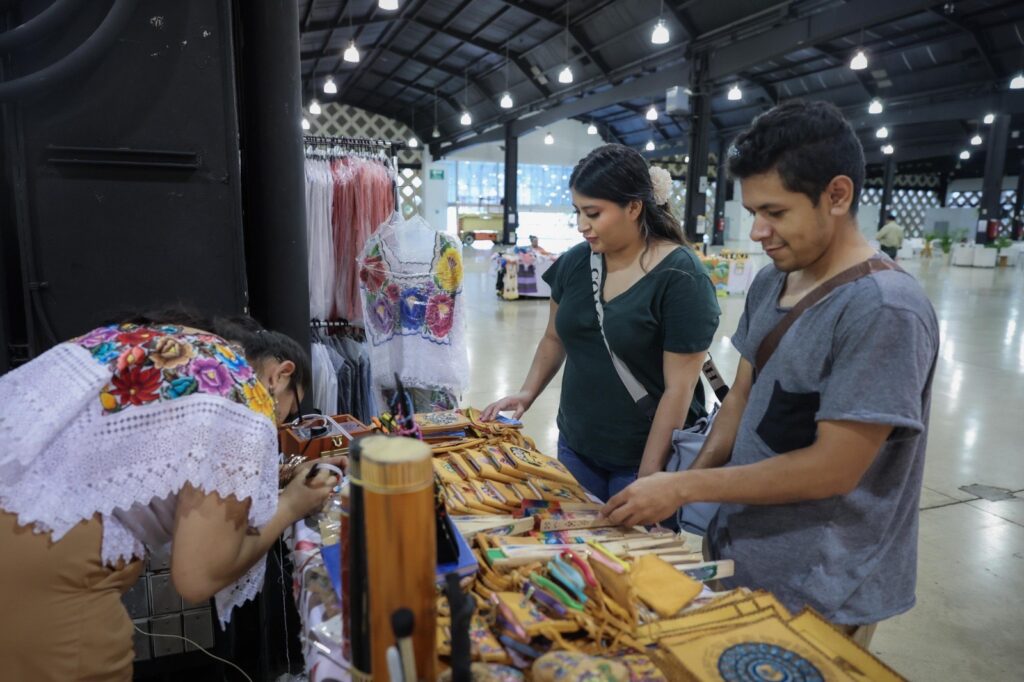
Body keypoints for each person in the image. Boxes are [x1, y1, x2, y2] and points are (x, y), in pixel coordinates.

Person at [602, 101, 939, 646]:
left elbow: (833, 469)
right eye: (753, 211)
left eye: (775, 212)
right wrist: (679, 495)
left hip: (822, 587)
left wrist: (683, 483)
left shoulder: (882, 308)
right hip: (740, 554)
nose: (758, 231)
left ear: (837, 195)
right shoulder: (771, 281)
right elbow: (739, 397)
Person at [0, 309, 340, 681]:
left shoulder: (177, 347)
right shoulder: (244, 392)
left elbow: (165, 466)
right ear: (280, 374)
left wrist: (282, 478)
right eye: (291, 411)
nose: (281, 424)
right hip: (44, 564)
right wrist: (291, 506)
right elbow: (198, 576)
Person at [482, 144, 720, 505]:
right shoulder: (576, 262)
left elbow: (679, 389)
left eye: (593, 213)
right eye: (577, 211)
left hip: (643, 457)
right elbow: (554, 338)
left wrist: (649, 477)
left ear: (634, 207)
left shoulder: (681, 277)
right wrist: (528, 393)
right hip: (576, 446)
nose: (582, 225)